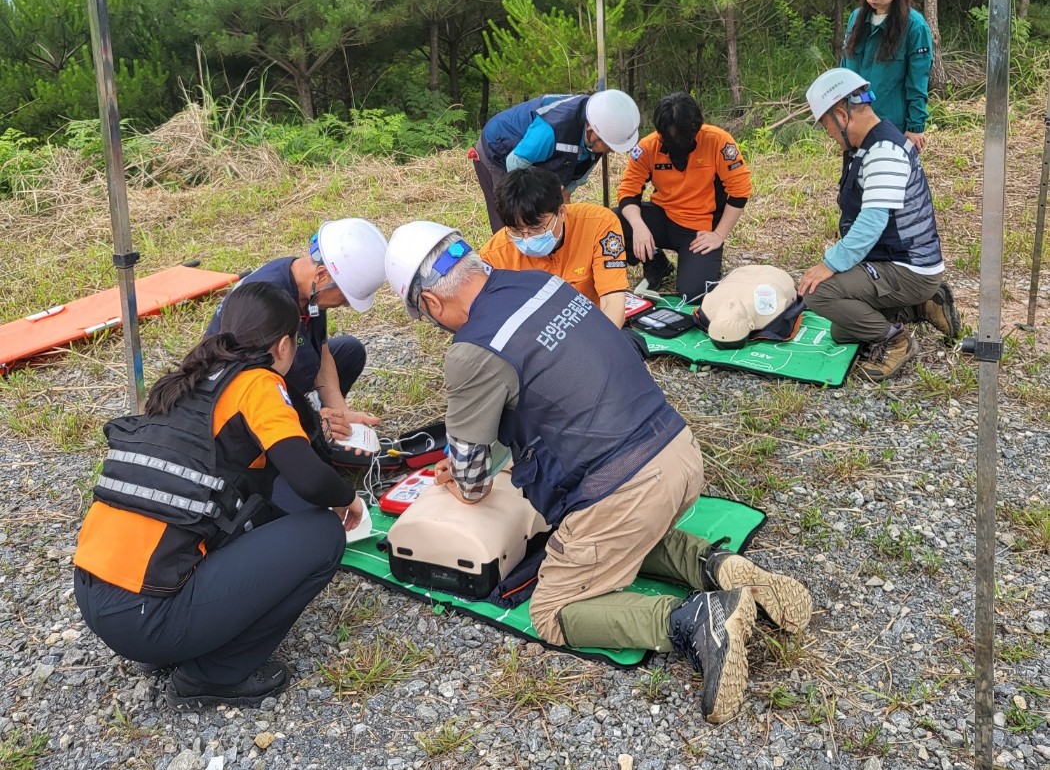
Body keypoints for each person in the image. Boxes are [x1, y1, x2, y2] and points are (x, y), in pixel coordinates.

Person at [383, 221, 813, 724]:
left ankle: (695, 619)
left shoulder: (472, 351)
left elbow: (474, 483)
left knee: (554, 612)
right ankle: (715, 566)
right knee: (609, 535)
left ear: (432, 305)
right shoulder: (538, 282)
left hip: (623, 490)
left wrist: (457, 474)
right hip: (677, 452)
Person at [73, 282, 366, 710]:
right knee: (323, 534)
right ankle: (213, 675)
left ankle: (172, 647)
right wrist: (347, 498)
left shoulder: (182, 384)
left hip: (95, 594)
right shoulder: (257, 383)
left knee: (258, 509)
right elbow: (308, 478)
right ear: (285, 345)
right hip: (148, 618)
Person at [801, 68, 961, 382]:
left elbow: (872, 223)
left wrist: (830, 264)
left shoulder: (883, 153)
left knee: (818, 294)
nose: (828, 135)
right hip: (896, 263)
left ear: (841, 115)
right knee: (843, 329)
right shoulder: (867, 145)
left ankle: (895, 341)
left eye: (826, 126)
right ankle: (921, 307)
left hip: (908, 268)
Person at [207, 218, 387, 444]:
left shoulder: (307, 287)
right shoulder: (269, 302)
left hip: (278, 370)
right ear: (322, 276)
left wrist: (342, 414)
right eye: (344, 297)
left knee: (350, 350)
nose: (346, 304)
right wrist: (310, 422)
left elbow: (322, 353)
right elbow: (257, 386)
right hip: (244, 394)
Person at [616, 92, 752, 302]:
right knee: (610, 222)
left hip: (699, 230)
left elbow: (740, 190)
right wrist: (638, 226)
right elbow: (627, 192)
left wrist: (719, 235)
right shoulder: (647, 147)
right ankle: (656, 262)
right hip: (661, 219)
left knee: (695, 294)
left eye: (682, 139)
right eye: (669, 139)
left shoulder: (718, 141)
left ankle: (703, 266)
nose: (676, 144)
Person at [471, 90, 641, 232]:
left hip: (538, 155)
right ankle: (511, 266)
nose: (609, 151)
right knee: (514, 217)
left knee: (547, 216)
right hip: (501, 151)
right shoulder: (552, 130)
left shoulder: (601, 134)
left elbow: (572, 182)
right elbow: (515, 166)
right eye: (608, 146)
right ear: (591, 131)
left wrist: (561, 211)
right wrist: (533, 203)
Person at [480, 167, 629, 327]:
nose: (527, 238)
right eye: (516, 230)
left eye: (537, 228)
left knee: (630, 347)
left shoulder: (599, 224)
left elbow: (613, 302)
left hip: (595, 328)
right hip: (534, 338)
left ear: (562, 212)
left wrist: (598, 349)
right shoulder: (493, 256)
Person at [841, 0, 933, 153]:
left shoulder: (914, 27)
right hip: (855, 123)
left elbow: (918, 81)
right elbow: (844, 69)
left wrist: (915, 127)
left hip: (891, 126)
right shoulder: (856, 19)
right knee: (855, 181)